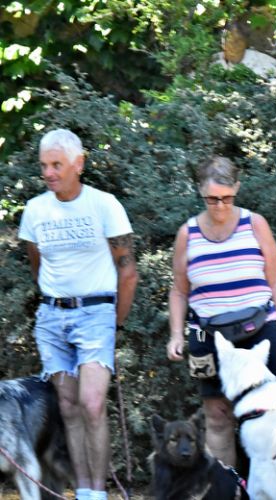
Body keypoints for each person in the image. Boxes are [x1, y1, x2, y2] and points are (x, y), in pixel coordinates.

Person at [18, 129, 138, 500]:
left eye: (57, 164)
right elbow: (37, 265)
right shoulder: (36, 210)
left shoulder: (104, 205)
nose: (48, 173)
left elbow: (128, 271)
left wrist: (116, 323)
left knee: (92, 403)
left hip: (96, 313)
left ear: (79, 164)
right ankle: (83, 490)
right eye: (44, 165)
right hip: (52, 318)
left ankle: (98, 492)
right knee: (69, 408)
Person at [166, 155, 276, 467]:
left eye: (227, 198)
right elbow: (179, 290)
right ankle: (226, 486)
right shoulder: (187, 233)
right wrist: (176, 334)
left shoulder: (255, 224)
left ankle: (270, 484)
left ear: (237, 189)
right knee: (216, 415)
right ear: (201, 191)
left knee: (268, 413)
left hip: (260, 330)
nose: (220, 206)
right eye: (212, 199)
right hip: (207, 336)